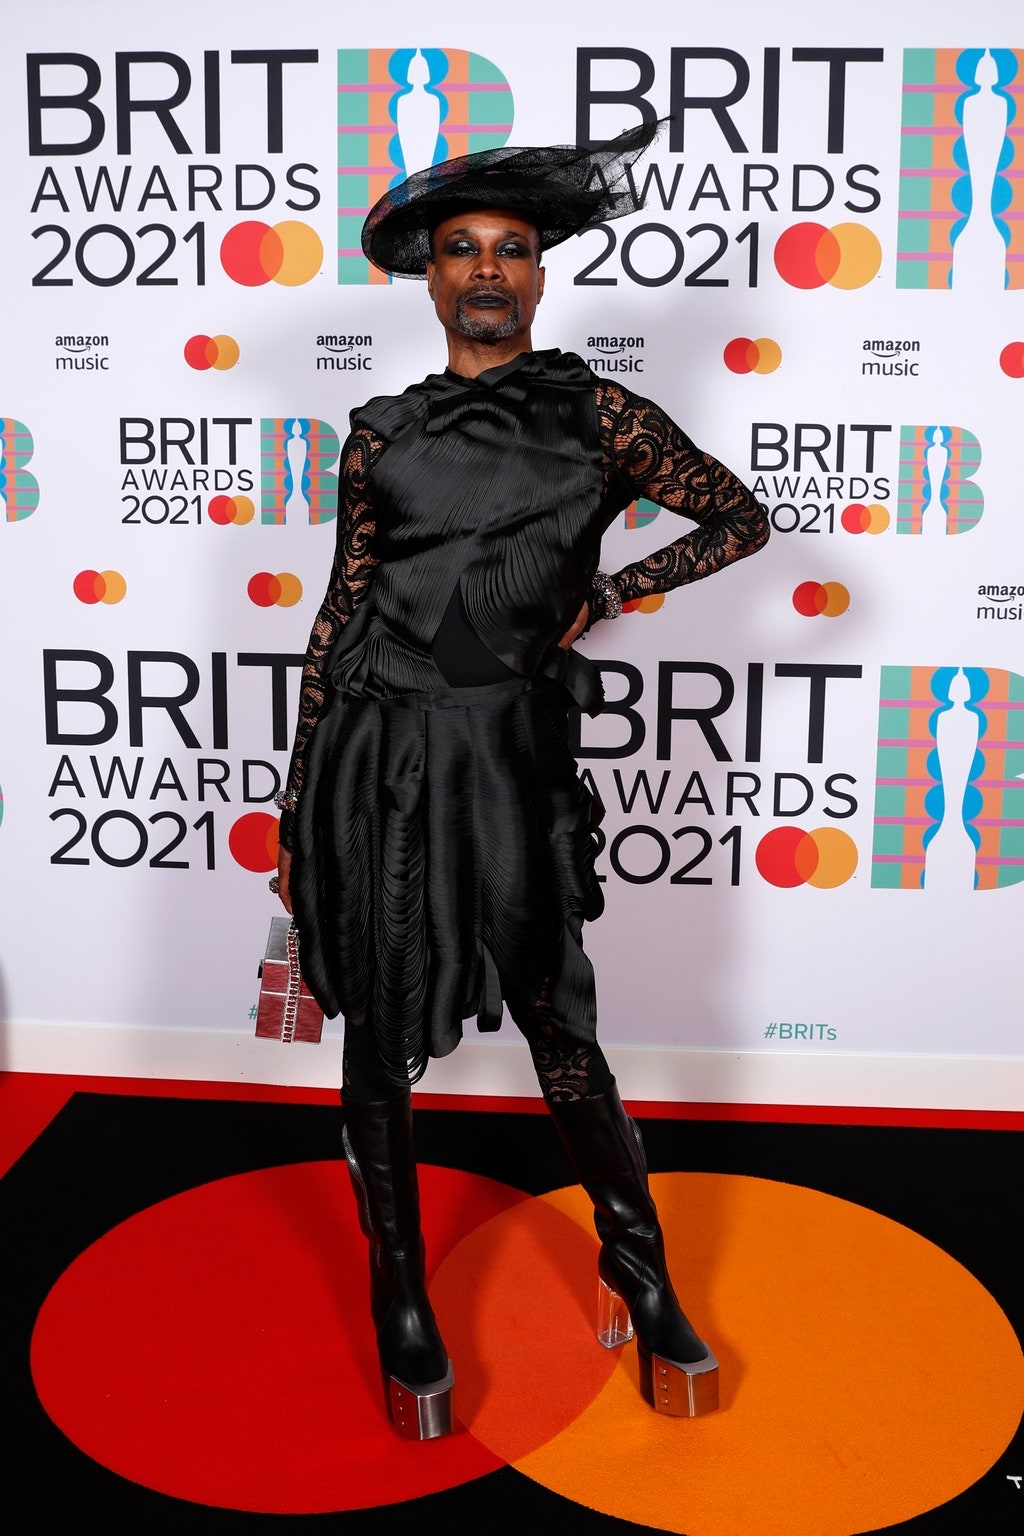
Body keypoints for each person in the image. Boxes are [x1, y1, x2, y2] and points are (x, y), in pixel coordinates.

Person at [273, 122, 769, 1440]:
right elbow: (341, 607)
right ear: (430, 280)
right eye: (461, 250)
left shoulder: (598, 415)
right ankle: (400, 1290)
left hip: (507, 755)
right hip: (374, 755)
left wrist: (611, 592)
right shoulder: (380, 433)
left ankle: (640, 1267)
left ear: (540, 275)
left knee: (559, 1018)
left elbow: (739, 516)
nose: (486, 270)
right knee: (378, 1030)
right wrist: (300, 789)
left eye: (509, 248)